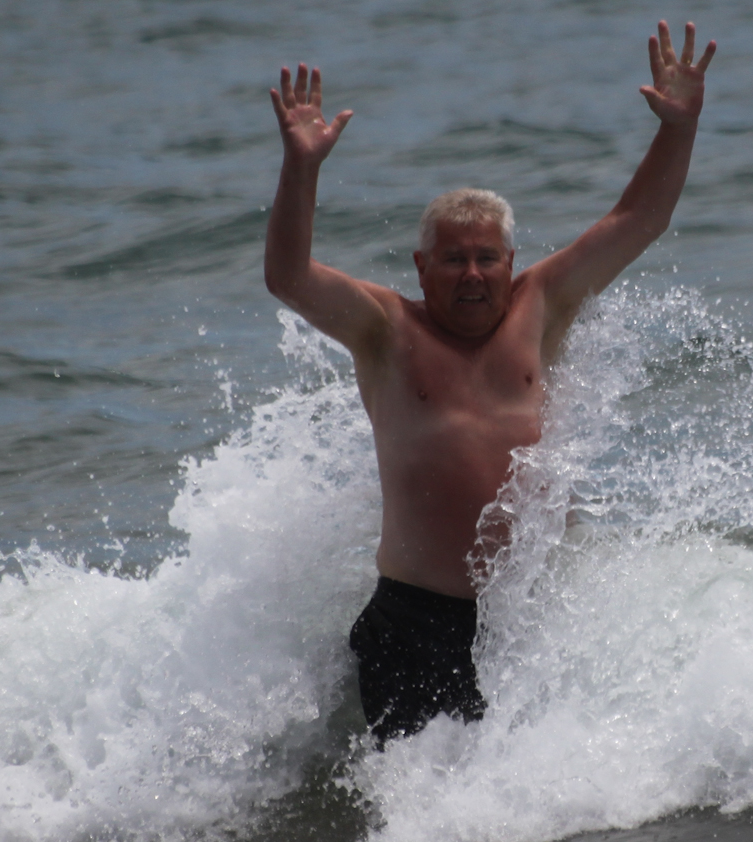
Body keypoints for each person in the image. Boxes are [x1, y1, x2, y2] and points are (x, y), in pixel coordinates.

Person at [265, 21, 716, 745]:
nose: (471, 274)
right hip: (414, 623)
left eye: (486, 258)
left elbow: (640, 218)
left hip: (527, 624)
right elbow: (288, 277)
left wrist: (679, 127)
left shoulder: (542, 305)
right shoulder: (386, 329)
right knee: (417, 811)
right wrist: (302, 166)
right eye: (453, 260)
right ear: (422, 268)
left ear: (511, 263)